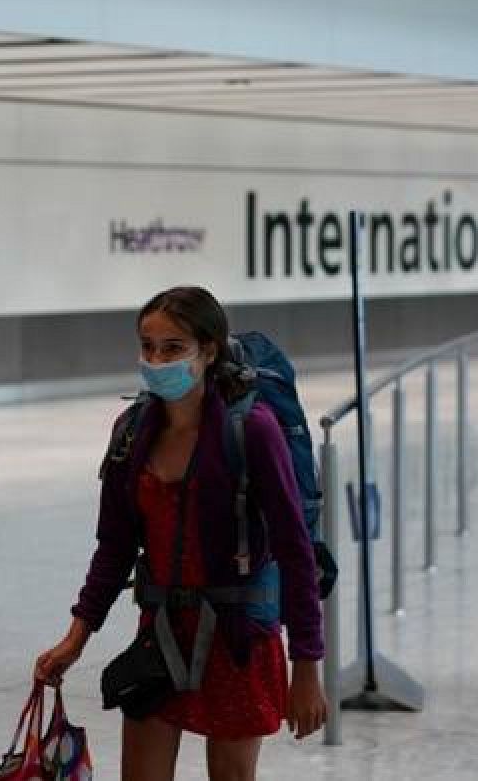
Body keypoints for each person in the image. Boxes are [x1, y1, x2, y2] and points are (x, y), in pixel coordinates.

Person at [34, 286, 327, 780]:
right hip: (162, 636)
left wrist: (306, 666)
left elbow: (295, 554)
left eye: (173, 348)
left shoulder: (252, 430)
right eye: (147, 346)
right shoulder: (132, 432)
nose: (156, 360)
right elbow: (114, 548)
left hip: (239, 638)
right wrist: (76, 637)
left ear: (208, 351)